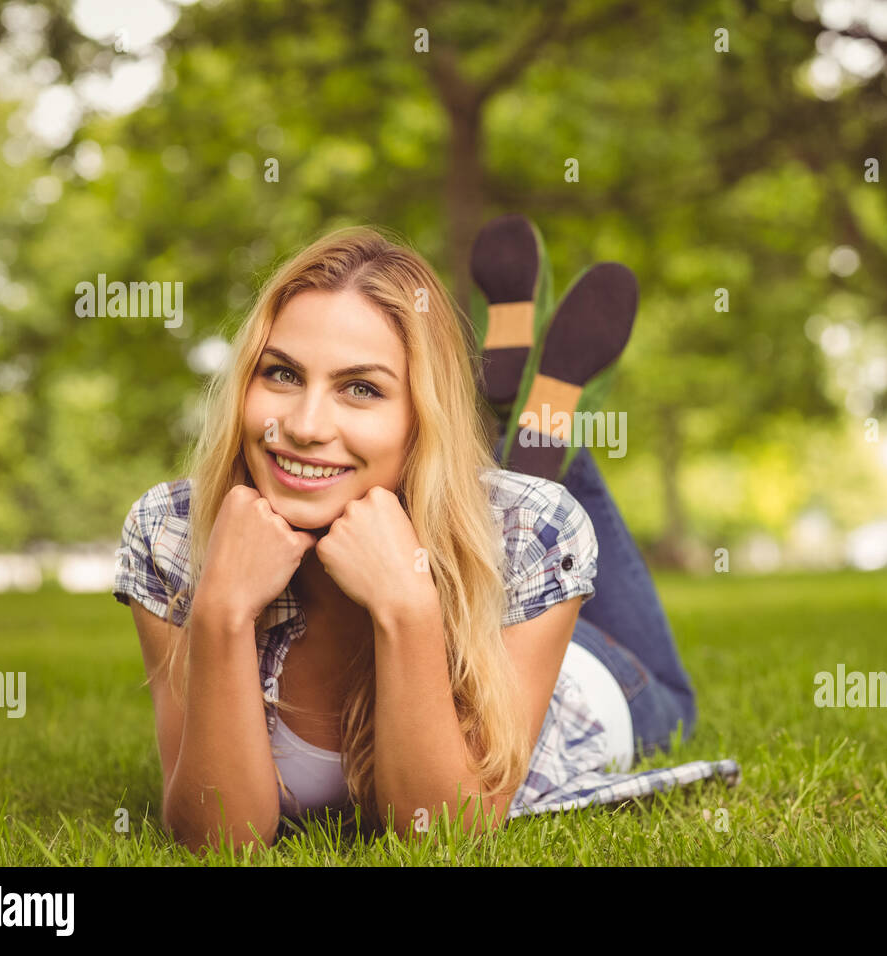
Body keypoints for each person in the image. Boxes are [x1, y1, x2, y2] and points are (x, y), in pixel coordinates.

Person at [112, 223, 738, 854]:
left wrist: (406, 606)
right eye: (281, 374)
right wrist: (221, 610)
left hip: (584, 669)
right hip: (494, 554)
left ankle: (544, 414)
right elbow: (217, 839)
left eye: (361, 388)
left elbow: (439, 835)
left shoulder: (533, 531)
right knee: (510, 507)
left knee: (657, 677)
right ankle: (531, 416)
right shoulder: (170, 534)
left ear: (423, 416)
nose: (303, 426)